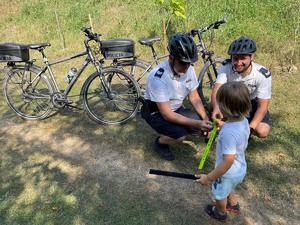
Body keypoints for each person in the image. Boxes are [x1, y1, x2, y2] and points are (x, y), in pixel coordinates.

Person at [141, 32, 212, 161]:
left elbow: (194, 97)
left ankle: (179, 130)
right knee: (180, 136)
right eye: (182, 63)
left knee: (199, 127)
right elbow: (167, 114)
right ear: (171, 58)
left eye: (188, 63)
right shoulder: (158, 77)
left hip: (175, 109)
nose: (186, 68)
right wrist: (197, 123)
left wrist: (205, 118)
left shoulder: (189, 69)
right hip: (156, 112)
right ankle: (160, 143)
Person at [196, 81, 251, 222]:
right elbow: (233, 130)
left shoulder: (228, 133)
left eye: (220, 104)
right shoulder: (243, 121)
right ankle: (233, 205)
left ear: (226, 108)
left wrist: (209, 178)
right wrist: (222, 125)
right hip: (239, 169)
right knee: (228, 187)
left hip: (227, 173)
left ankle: (220, 212)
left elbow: (228, 160)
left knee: (219, 194)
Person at [211, 36, 272, 138]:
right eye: (235, 58)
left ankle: (245, 125)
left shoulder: (262, 74)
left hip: (252, 103)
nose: (238, 63)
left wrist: (250, 130)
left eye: (243, 58)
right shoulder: (226, 67)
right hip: (231, 101)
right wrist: (216, 109)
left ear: (252, 57)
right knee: (215, 127)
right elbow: (216, 91)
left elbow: (263, 106)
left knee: (262, 131)